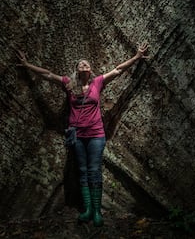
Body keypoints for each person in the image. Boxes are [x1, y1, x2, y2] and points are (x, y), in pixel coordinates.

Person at [16, 42, 150, 227]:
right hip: (76, 135)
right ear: (77, 70)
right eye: (80, 64)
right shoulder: (69, 84)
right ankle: (86, 209)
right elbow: (47, 74)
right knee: (82, 170)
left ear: (91, 69)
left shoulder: (98, 82)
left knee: (94, 169)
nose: (84, 65)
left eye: (86, 64)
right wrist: (27, 65)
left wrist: (136, 57)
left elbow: (118, 70)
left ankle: (96, 211)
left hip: (96, 134)